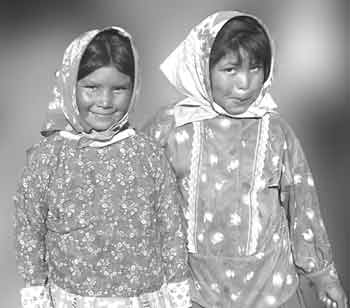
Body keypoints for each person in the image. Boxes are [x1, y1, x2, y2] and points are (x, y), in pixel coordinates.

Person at [143, 11, 348, 308]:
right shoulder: (172, 128)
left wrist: (323, 275)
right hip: (193, 290)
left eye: (256, 68)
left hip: (271, 290)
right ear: (202, 67)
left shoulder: (276, 131)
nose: (245, 84)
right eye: (230, 69)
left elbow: (301, 204)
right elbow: (136, 200)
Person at [14, 27, 190, 308]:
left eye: (119, 88)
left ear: (134, 89)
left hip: (143, 299)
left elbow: (171, 228)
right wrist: (35, 294)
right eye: (92, 87)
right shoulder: (47, 158)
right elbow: (30, 231)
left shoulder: (148, 155)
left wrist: (178, 293)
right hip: (70, 299)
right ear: (71, 85)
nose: (105, 102)